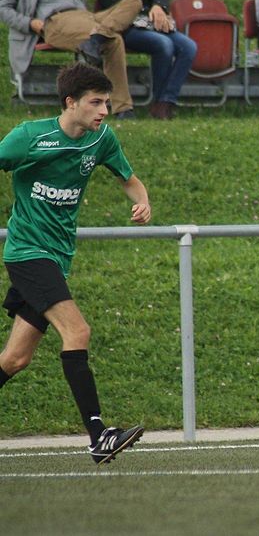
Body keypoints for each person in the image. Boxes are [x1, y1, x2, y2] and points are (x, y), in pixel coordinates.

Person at [0, 63, 151, 465]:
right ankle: (99, 436)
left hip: (58, 257)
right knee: (77, 330)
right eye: (96, 102)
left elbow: (129, 179)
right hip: (29, 254)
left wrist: (142, 201)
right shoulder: (29, 137)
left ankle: (100, 437)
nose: (104, 110)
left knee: (15, 359)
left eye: (107, 102)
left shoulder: (101, 139)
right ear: (70, 102)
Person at [0, 0, 141, 119]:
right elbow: (3, 9)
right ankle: (123, 109)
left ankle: (97, 37)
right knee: (113, 40)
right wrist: (29, 23)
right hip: (56, 20)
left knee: (134, 1)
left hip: (87, 16)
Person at [96, 0, 197, 120]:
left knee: (188, 47)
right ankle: (158, 102)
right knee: (164, 44)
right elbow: (110, 3)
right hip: (126, 26)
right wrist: (145, 10)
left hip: (151, 22)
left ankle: (166, 101)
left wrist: (158, 5)